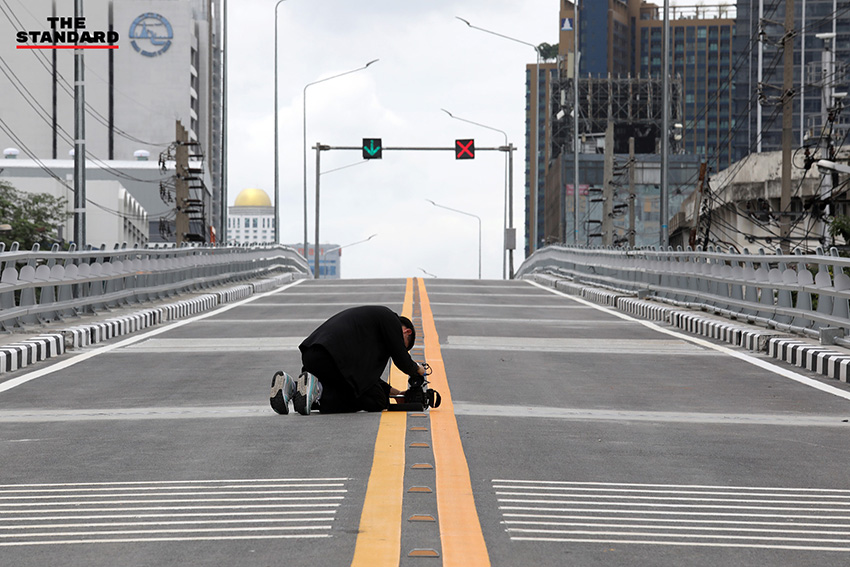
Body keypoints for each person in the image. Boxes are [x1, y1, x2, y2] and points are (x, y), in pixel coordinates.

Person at [270, 305, 425, 415]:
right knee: (377, 399)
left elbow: (367, 381)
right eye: (403, 345)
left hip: (314, 355)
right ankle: (318, 393)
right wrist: (418, 370)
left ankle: (293, 387)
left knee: (371, 392)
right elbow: (403, 360)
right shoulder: (390, 320)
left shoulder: (373, 324)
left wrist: (398, 394)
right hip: (334, 357)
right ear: (406, 331)